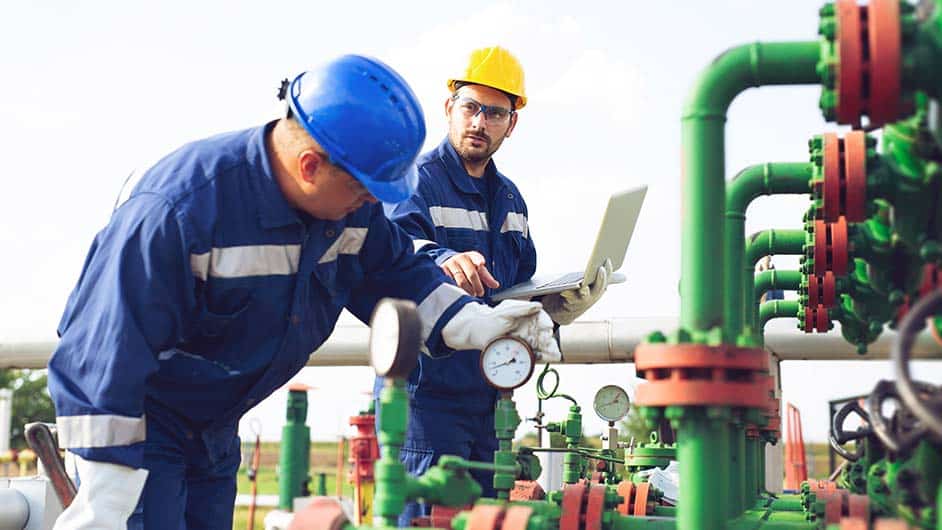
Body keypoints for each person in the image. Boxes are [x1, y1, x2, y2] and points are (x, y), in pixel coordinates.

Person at [47, 54, 560, 530]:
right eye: (364, 190)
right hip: (141, 432)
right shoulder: (181, 212)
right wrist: (106, 492)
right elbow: (103, 348)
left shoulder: (347, 208)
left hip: (216, 430)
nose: (369, 205)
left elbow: (403, 277)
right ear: (310, 166)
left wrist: (481, 324)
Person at [380, 46, 610, 524]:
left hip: (492, 397)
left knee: (486, 519)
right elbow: (393, 254)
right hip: (426, 400)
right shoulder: (416, 183)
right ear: (449, 108)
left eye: (495, 112)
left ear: (512, 123)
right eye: (470, 107)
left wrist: (559, 306)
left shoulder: (511, 200)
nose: (479, 122)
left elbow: (516, 285)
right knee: (428, 519)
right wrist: (446, 258)